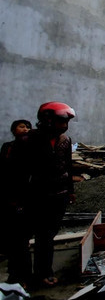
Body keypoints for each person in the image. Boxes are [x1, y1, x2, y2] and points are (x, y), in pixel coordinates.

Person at [24, 103, 77, 287]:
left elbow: (68, 167)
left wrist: (70, 190)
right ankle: (21, 276)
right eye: (61, 121)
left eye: (66, 122)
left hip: (58, 195)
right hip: (35, 195)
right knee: (23, 236)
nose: (64, 126)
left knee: (47, 236)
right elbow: (18, 171)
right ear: (47, 121)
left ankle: (43, 272)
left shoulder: (65, 141)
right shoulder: (29, 140)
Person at [1, 119, 33, 285]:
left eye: (28, 127)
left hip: (26, 198)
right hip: (10, 197)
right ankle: (14, 273)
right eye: (22, 126)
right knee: (12, 239)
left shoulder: (32, 148)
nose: (26, 129)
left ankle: (25, 275)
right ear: (14, 130)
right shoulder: (8, 147)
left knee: (22, 239)